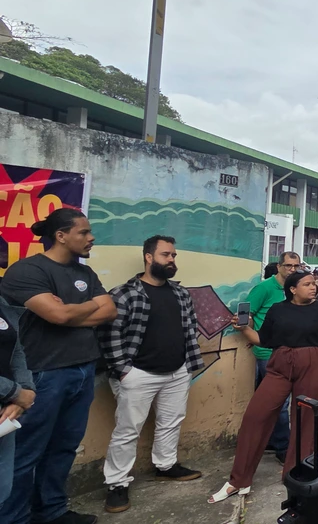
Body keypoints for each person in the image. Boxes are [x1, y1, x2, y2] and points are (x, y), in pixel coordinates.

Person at [0, 208, 117, 524]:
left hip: (83, 370)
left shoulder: (85, 274)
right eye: (83, 232)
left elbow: (109, 310)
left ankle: (51, 512)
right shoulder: (26, 271)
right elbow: (58, 316)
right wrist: (77, 311)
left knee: (64, 447)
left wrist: (72, 310)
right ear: (61, 235)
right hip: (42, 375)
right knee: (25, 453)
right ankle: (14, 518)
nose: (91, 237)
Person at [210, 271, 318, 503]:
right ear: (292, 289)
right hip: (280, 363)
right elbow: (265, 339)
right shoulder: (277, 309)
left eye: (314, 284)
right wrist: (244, 329)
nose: (313, 288)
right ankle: (239, 480)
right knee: (255, 416)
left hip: (311, 363)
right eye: (307, 284)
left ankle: (295, 472)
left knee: (305, 418)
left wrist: (310, 353)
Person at [100, 236, 205, 513]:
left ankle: (166, 466)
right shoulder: (124, 293)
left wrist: (185, 365)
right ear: (148, 257)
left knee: (171, 422)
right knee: (127, 430)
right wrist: (123, 371)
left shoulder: (181, 293)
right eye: (166, 255)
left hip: (177, 371)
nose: (172, 260)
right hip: (137, 375)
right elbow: (109, 334)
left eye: (174, 255)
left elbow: (191, 327)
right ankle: (117, 484)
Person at [246, 251, 301, 463]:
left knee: (266, 402)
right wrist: (251, 334)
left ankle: (269, 440)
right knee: (279, 402)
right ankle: (283, 447)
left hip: (288, 351)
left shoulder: (294, 290)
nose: (292, 270)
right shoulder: (265, 288)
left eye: (296, 266)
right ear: (278, 266)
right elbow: (247, 314)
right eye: (288, 265)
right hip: (268, 353)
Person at [0, 297, 35, 508]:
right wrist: (15, 392)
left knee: (3, 489)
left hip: (6, 414)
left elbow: (16, 349)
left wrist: (24, 391)